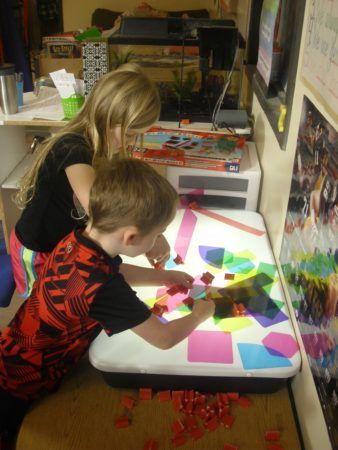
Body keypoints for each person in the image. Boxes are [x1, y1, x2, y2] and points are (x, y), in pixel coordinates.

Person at [0, 158, 215, 449]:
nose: (155, 242)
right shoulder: (103, 289)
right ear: (131, 236)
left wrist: (163, 276)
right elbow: (163, 338)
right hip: (24, 380)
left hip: (12, 349)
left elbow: (115, 270)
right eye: (155, 236)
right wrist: (200, 314)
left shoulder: (77, 239)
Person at [10, 62, 170, 299]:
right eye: (129, 134)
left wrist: (151, 230)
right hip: (39, 249)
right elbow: (101, 210)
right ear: (106, 116)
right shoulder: (72, 149)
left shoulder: (105, 148)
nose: (131, 142)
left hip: (66, 243)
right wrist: (150, 235)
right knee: (44, 308)